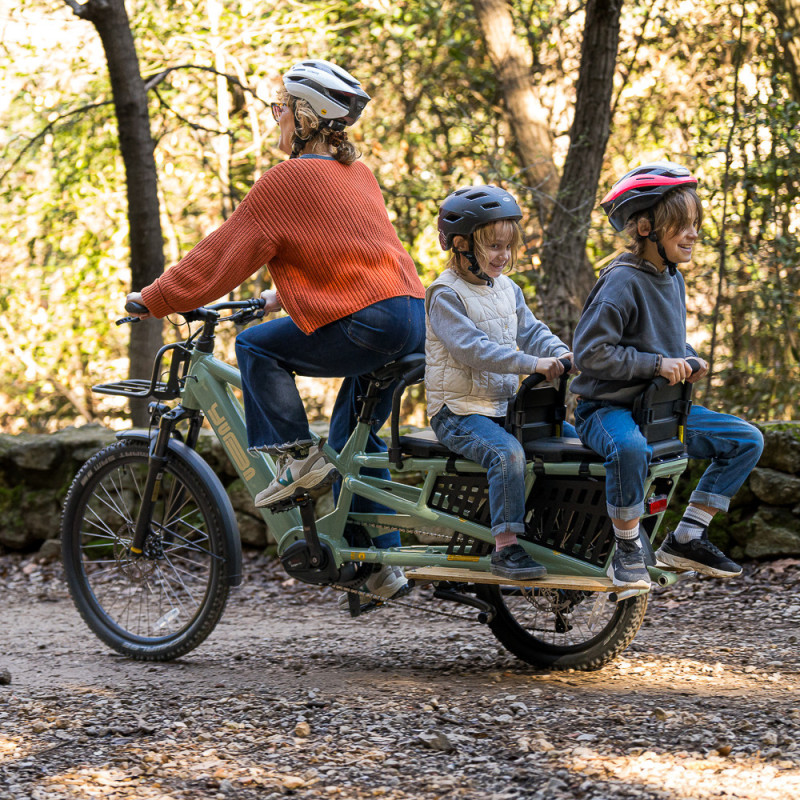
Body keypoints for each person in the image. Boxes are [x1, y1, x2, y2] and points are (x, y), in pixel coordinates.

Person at [127, 59, 425, 602]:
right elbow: (349, 259)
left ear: (307, 116)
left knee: (253, 347)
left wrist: (154, 299)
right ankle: (381, 562)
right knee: (353, 442)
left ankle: (294, 461)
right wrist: (272, 298)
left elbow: (221, 253)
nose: (276, 117)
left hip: (371, 322)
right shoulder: (357, 174)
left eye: (281, 108)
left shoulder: (286, 180)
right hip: (409, 318)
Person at [570, 161, 764, 589]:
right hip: (607, 409)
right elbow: (589, 353)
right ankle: (626, 547)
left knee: (746, 440)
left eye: (696, 224)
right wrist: (657, 366)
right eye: (682, 225)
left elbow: (663, 343)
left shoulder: (670, 277)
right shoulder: (621, 282)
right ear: (645, 228)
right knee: (629, 451)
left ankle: (688, 534)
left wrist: (689, 358)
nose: (693, 234)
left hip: (659, 410)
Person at [426, 185, 575, 580]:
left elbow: (533, 331)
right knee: (506, 455)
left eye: (507, 247)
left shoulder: (507, 288)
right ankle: (506, 548)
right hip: (458, 411)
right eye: (493, 246)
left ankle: (561, 532)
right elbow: (473, 349)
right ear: (460, 244)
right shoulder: (445, 294)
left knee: (573, 442)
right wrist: (532, 363)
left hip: (502, 406)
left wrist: (561, 353)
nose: (503, 256)